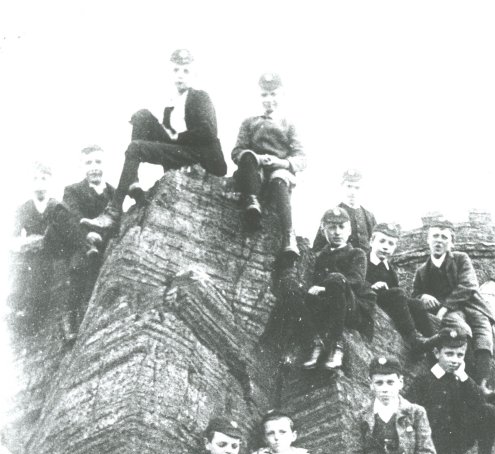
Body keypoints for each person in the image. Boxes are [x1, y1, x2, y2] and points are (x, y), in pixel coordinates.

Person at [81, 49, 227, 234]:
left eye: (185, 71)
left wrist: (177, 137)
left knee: (135, 148)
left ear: (194, 74)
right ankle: (133, 183)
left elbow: (208, 132)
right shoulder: (172, 104)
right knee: (141, 116)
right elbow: (168, 137)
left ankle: (114, 211)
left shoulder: (200, 97)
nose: (180, 75)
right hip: (181, 153)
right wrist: (170, 134)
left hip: (204, 158)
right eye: (176, 70)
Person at [406, 326, 495, 454]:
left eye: (460, 355)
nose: (455, 360)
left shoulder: (462, 380)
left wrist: (464, 377)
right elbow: (408, 412)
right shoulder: (423, 381)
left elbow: (480, 405)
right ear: (437, 354)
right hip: (433, 443)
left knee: (491, 411)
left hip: (457, 442)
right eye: (449, 354)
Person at [412, 218, 495, 398]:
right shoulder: (422, 270)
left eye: (444, 237)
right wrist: (423, 296)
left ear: (451, 242)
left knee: (483, 332)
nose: (439, 240)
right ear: (428, 240)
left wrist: (444, 306)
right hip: (453, 312)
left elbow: (469, 285)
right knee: (461, 330)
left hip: (472, 305)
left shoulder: (461, 259)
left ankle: (483, 385)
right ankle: (470, 381)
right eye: (435, 236)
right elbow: (414, 295)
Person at [43, 145, 116, 340]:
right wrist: (87, 235)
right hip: (71, 239)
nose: (94, 167)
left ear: (105, 164)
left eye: (98, 162)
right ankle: (86, 244)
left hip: (95, 244)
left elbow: (116, 219)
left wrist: (97, 236)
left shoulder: (112, 193)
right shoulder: (73, 190)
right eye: (89, 163)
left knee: (80, 260)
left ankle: (69, 318)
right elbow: (73, 216)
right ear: (82, 166)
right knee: (57, 207)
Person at [231, 72, 306, 257]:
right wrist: (256, 158)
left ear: (282, 95)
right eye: (264, 95)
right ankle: (252, 203)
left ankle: (289, 236)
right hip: (255, 171)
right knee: (247, 156)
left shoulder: (289, 124)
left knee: (279, 179)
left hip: (278, 172)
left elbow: (302, 158)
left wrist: (281, 162)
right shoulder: (249, 122)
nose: (269, 100)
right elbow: (236, 152)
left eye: (273, 94)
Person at [300, 207, 376, 370]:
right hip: (329, 305)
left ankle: (337, 346)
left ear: (349, 230)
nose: (337, 232)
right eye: (332, 227)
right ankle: (317, 345)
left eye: (342, 227)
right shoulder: (320, 256)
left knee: (336, 279)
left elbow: (356, 280)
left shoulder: (357, 253)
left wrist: (326, 287)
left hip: (351, 306)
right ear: (323, 230)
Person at [365, 223, 435, 350]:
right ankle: (412, 338)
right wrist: (371, 286)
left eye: (391, 244)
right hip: (370, 298)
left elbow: (395, 290)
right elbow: (356, 280)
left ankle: (433, 342)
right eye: (382, 241)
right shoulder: (364, 261)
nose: (385, 247)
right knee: (398, 293)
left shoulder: (389, 268)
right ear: (371, 241)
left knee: (417, 304)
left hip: (389, 301)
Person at [314, 169, 377, 253]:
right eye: (349, 186)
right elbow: (318, 248)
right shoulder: (332, 215)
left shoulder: (369, 216)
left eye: (357, 188)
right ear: (342, 186)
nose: (352, 192)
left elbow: (375, 245)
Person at [13, 162, 54, 237]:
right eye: (35, 179)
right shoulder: (23, 209)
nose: (39, 183)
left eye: (43, 178)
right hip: (31, 248)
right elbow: (14, 239)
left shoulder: (58, 207)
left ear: (50, 181)